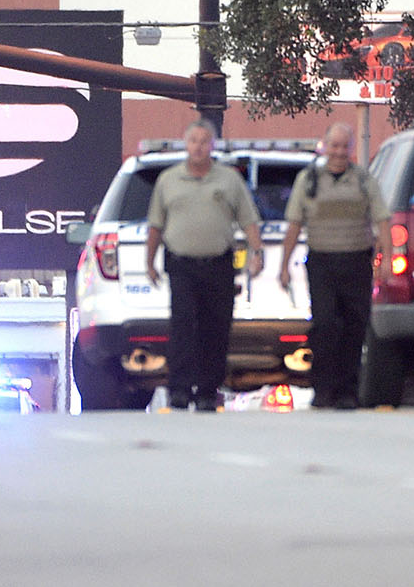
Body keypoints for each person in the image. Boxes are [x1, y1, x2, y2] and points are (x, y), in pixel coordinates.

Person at [144, 119, 264, 411]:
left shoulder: (229, 180)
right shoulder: (168, 180)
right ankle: (180, 390)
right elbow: (156, 224)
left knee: (216, 327)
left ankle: (209, 390)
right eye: (193, 140)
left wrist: (257, 251)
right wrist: (149, 261)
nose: (198, 146)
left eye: (204, 141)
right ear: (186, 144)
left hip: (219, 264)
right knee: (183, 326)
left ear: (213, 145)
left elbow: (248, 220)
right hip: (181, 265)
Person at [276, 122, 390, 410]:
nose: (338, 152)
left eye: (344, 146)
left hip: (356, 261)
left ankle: (347, 392)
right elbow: (294, 224)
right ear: (324, 146)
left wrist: (386, 258)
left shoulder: (364, 180)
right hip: (322, 262)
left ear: (351, 149)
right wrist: (284, 264)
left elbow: (382, 220)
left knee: (354, 327)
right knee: (325, 325)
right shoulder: (309, 179)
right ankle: (323, 390)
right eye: (334, 146)